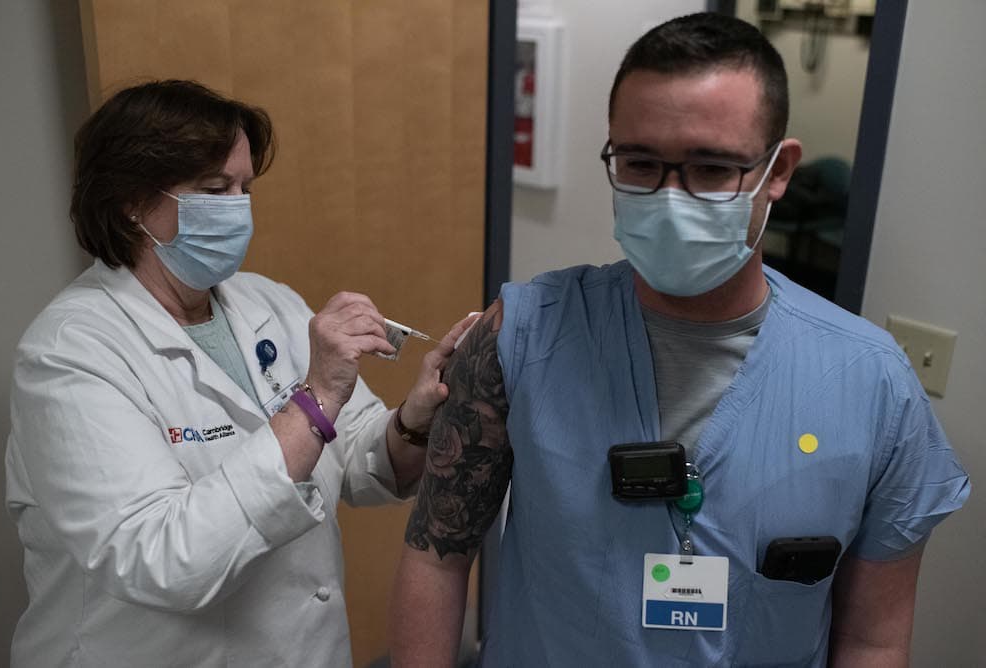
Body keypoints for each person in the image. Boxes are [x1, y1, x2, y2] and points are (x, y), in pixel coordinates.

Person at [390, 13, 969, 667]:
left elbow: (873, 637)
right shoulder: (521, 335)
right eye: (640, 162)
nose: (671, 197)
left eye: (712, 167)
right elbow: (437, 558)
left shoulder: (872, 381)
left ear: (779, 172)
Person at [5, 79, 473, 667]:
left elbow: (357, 460)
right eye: (213, 189)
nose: (236, 208)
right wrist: (317, 397)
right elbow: (165, 558)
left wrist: (416, 418)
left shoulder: (265, 304)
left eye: (243, 188)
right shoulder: (70, 354)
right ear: (130, 200)